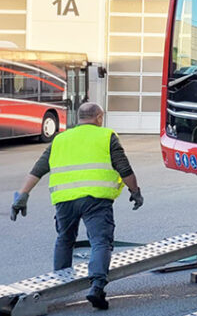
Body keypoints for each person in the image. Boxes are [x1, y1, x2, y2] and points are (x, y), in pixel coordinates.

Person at [9, 103, 143, 311]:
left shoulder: (60, 139)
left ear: (79, 117)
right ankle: (97, 287)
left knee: (65, 239)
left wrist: (22, 196)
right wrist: (135, 191)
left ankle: (59, 287)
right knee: (100, 242)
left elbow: (38, 170)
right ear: (99, 117)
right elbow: (124, 169)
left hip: (64, 200)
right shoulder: (106, 136)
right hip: (96, 200)